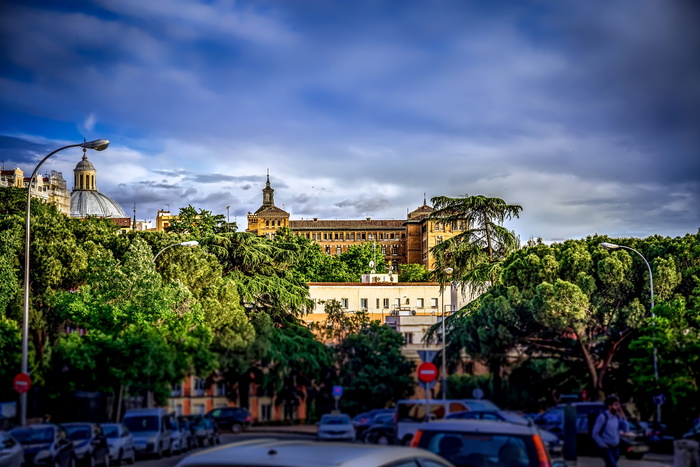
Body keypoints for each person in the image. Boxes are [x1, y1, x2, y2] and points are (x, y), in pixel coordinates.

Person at [592, 395, 629, 467]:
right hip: (607, 448)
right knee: (613, 465)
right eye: (615, 405)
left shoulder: (617, 417)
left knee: (610, 465)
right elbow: (595, 433)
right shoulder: (603, 417)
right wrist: (603, 445)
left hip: (616, 448)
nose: (618, 407)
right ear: (609, 406)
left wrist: (624, 418)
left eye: (618, 404)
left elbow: (626, 429)